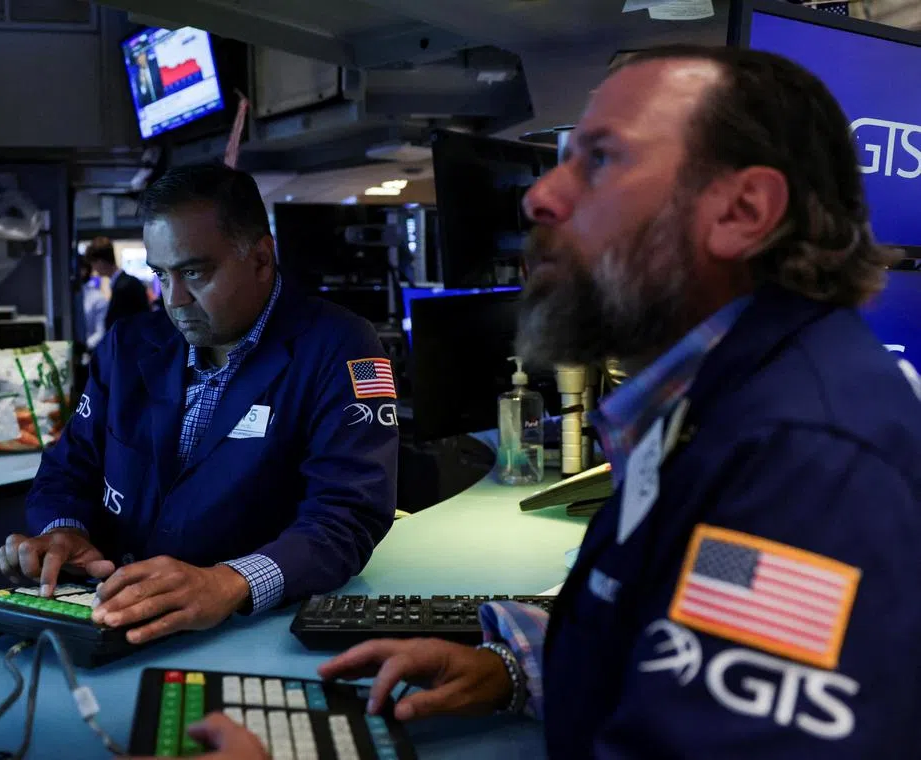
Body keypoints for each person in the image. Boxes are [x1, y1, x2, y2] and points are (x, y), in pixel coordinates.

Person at [161, 46, 921, 758]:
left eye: (600, 160)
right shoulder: (723, 407)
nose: (540, 194)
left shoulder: (803, 469)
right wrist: (520, 668)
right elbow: (679, 611)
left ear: (743, 211)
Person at [0, 163, 399, 645]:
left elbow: (347, 517)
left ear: (261, 258)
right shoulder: (129, 344)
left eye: (194, 272)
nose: (175, 299)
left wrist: (230, 582)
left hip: (248, 633)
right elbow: (69, 468)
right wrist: (65, 532)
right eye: (161, 275)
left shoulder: (339, 345)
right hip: (112, 617)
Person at [85, 236, 150, 334]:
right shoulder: (126, 282)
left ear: (101, 262)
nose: (94, 269)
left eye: (94, 264)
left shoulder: (123, 287)